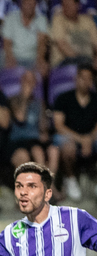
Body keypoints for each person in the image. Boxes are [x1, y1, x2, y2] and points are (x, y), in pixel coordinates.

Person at [52, 66, 97, 201]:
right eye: (83, 78)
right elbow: (59, 126)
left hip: (91, 137)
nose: (86, 81)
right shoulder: (63, 98)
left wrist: (89, 138)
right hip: (70, 137)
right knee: (67, 147)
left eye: (89, 78)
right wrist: (82, 140)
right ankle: (70, 178)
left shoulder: (95, 98)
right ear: (76, 79)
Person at [7, 70, 58, 172]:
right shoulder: (13, 100)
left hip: (35, 139)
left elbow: (43, 127)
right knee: (37, 151)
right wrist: (25, 99)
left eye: (31, 81)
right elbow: (20, 118)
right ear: (21, 82)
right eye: (27, 81)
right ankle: (42, 179)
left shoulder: (39, 103)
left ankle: (50, 180)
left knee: (53, 150)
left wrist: (44, 132)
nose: (29, 84)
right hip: (19, 140)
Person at [2, 0, 48, 72]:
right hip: (14, 56)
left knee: (43, 69)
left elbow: (42, 43)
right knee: (7, 66)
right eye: (28, 4)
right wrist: (10, 58)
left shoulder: (41, 19)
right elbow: (7, 43)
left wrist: (40, 59)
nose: (31, 7)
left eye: (33, 4)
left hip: (33, 58)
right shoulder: (10, 18)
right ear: (22, 3)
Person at [49, 0, 97, 68]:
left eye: (69, 5)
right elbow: (62, 45)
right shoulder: (58, 20)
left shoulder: (88, 21)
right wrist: (84, 64)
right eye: (63, 5)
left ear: (78, 5)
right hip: (64, 64)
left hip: (88, 64)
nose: (65, 8)